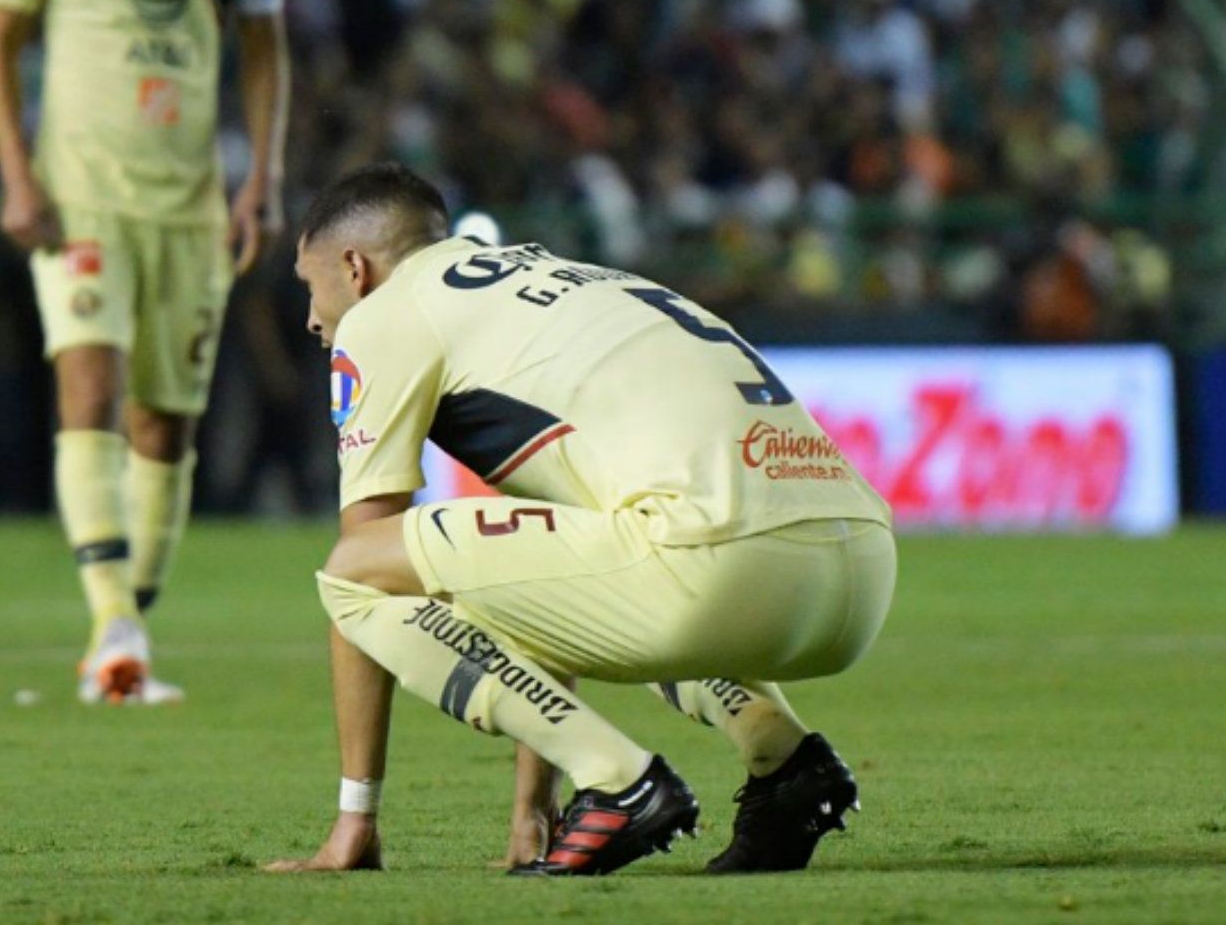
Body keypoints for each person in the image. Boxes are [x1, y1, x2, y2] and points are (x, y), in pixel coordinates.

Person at [267, 164, 896, 877]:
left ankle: (622, 783)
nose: (312, 319)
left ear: (354, 268)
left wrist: (357, 817)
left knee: (356, 573)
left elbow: (367, 552)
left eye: (309, 287)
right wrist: (531, 809)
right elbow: (547, 575)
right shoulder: (563, 281)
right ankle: (784, 761)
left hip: (718, 573)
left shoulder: (384, 313)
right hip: (861, 570)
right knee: (574, 552)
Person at [0, 0, 289, 703]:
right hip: (83, 196)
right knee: (90, 382)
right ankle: (114, 624)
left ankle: (127, 635)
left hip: (188, 204)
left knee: (165, 428)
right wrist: (16, 175)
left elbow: (264, 45)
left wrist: (262, 178)